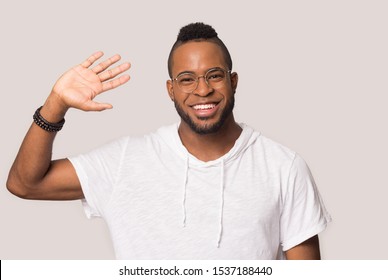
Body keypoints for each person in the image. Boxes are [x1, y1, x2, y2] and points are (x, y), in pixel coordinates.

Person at [7, 22, 331, 260]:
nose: (202, 90)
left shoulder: (282, 167)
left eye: (214, 76)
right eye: (186, 79)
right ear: (170, 90)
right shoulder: (127, 161)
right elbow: (25, 184)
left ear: (233, 81)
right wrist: (55, 105)